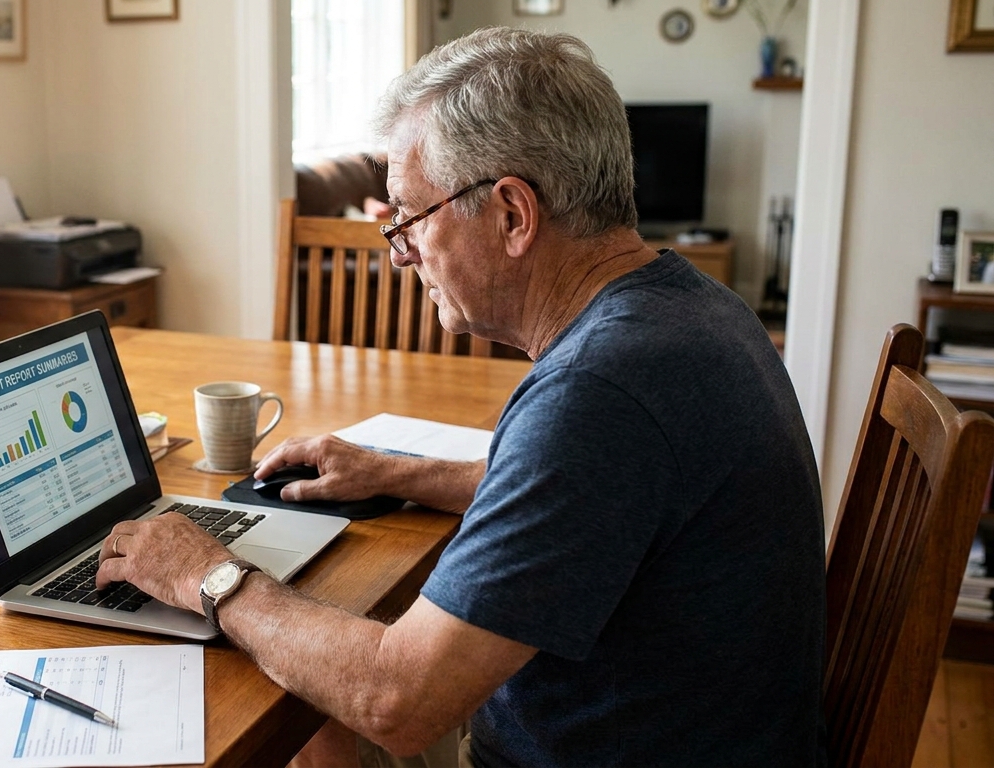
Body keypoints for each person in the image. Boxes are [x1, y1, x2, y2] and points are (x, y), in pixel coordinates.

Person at [96, 27, 826, 767]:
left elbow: (397, 701)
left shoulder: (597, 394)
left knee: (274, 682)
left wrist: (206, 575)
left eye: (410, 218)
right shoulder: (690, 308)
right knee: (306, 670)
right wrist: (398, 472)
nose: (401, 253)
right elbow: (599, 497)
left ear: (512, 214)